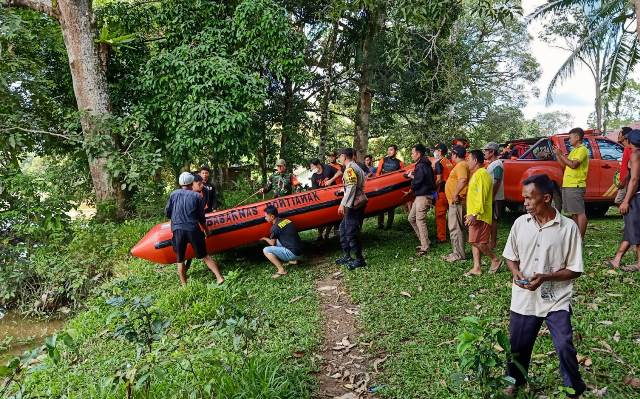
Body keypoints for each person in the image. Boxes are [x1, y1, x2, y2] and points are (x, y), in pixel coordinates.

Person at [502, 174, 586, 398]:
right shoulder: (521, 223)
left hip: (556, 298)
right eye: (524, 198)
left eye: (530, 198)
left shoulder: (568, 228)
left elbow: (575, 269)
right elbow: (510, 256)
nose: (525, 203)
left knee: (565, 345)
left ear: (546, 198)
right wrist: (515, 271)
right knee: (516, 347)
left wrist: (546, 277)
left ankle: (574, 389)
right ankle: (513, 381)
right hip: (524, 298)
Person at [165, 172, 224, 286]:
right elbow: (201, 218)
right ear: (192, 183)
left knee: (180, 259)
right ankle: (219, 277)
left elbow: (167, 212)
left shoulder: (173, 194)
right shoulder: (197, 196)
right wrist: (206, 231)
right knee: (204, 255)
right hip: (192, 229)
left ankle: (184, 285)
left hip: (177, 230)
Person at [465, 150, 502, 275]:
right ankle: (477, 268)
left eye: (469, 159)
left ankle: (495, 259)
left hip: (480, 215)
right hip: (475, 213)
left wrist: (474, 214)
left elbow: (482, 196)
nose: (467, 162)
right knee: (474, 241)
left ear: (475, 161)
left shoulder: (481, 174)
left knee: (476, 242)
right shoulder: (478, 173)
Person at [609, 130, 640, 271]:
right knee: (630, 228)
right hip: (636, 195)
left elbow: (634, 179)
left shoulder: (635, 154)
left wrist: (626, 200)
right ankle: (617, 259)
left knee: (635, 228)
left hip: (636, 196)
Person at [553, 127, 589, 239]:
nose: (569, 140)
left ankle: (580, 238)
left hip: (576, 185)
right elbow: (565, 165)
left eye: (570, 138)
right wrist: (558, 155)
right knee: (574, 212)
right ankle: (576, 236)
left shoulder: (582, 149)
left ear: (577, 137)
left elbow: (573, 165)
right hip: (568, 184)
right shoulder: (573, 150)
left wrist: (562, 155)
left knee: (579, 212)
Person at [335, 148, 367, 270]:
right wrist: (343, 190)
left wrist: (343, 204)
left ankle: (359, 259)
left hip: (354, 204)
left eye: (340, 157)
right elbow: (354, 184)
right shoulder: (354, 167)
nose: (339, 159)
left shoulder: (350, 169)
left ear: (344, 156)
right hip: (353, 202)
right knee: (343, 229)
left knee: (351, 231)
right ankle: (347, 255)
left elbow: (352, 186)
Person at [406, 144, 436, 256]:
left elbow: (418, 182)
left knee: (420, 220)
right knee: (411, 218)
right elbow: (423, 179)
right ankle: (425, 241)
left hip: (423, 196)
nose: (412, 154)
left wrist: (411, 182)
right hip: (421, 196)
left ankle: (425, 246)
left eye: (413, 152)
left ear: (418, 154)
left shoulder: (421, 165)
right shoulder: (424, 165)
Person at [260, 205, 303, 279]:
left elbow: (272, 243)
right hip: (301, 251)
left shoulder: (274, 228)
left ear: (272, 216)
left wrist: (265, 238)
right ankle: (294, 261)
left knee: (266, 250)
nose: (265, 218)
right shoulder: (286, 220)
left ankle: (281, 270)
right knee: (280, 239)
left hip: (293, 253)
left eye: (266, 216)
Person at [443, 145, 469, 263]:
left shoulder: (461, 165)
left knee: (455, 227)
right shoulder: (461, 165)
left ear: (455, 154)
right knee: (458, 227)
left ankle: (458, 254)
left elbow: (463, 179)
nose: (451, 156)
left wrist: (455, 194)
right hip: (456, 201)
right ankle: (458, 252)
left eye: (452, 154)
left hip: (457, 201)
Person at [375, 144, 405, 229]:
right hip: (382, 186)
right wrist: (378, 183)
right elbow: (378, 173)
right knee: (381, 205)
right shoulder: (383, 160)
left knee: (391, 207)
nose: (389, 151)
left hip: (393, 187)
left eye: (391, 150)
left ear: (395, 151)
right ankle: (380, 225)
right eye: (388, 150)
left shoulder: (400, 163)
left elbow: (402, 175)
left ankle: (389, 225)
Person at [309, 159, 338, 240]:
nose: (311, 168)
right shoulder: (314, 176)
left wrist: (331, 180)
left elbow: (340, 172)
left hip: (333, 197)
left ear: (317, 164)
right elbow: (315, 191)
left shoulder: (328, 168)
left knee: (332, 217)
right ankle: (319, 235)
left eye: (312, 166)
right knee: (322, 218)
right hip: (322, 199)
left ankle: (327, 234)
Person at [483, 142, 505, 250]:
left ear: (492, 152)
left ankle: (493, 243)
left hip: (495, 197)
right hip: (491, 196)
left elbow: (497, 181)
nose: (485, 153)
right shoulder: (492, 164)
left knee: (493, 220)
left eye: (486, 151)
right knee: (490, 219)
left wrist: (492, 196)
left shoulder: (497, 164)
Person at [434, 143, 453, 244]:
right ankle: (454, 234)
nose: (435, 152)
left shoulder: (439, 163)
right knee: (452, 215)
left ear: (440, 151)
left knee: (440, 215)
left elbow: (439, 179)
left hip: (442, 192)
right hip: (451, 192)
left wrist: (432, 187)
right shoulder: (448, 162)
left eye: (436, 150)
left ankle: (441, 238)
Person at [614, 127, 633, 206]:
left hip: (627, 181)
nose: (618, 135)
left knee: (619, 201)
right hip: (624, 181)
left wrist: (623, 181)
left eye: (620, 133)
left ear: (626, 136)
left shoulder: (631, 149)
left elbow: (631, 168)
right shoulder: (626, 148)